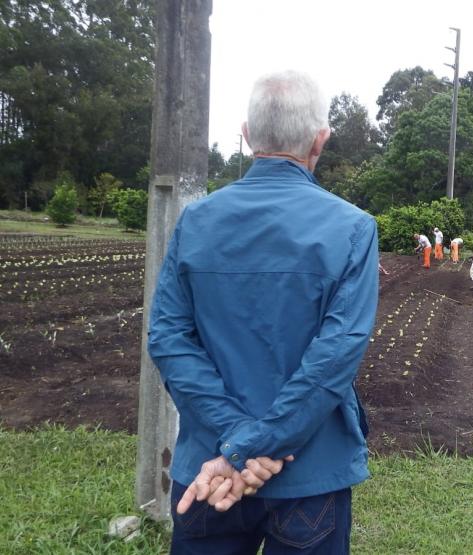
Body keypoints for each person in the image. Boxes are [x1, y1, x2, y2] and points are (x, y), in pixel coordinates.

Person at [148, 70, 378, 554]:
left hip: (209, 470)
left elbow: (168, 338)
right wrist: (254, 444)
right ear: (320, 139)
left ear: (247, 134)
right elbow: (335, 357)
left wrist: (235, 442)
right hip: (308, 475)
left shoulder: (195, 221)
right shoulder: (353, 228)